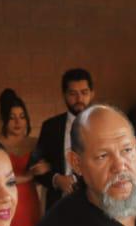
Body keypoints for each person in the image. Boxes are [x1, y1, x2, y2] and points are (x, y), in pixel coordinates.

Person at [33, 68, 94, 210]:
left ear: (92, 93)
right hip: (60, 204)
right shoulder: (50, 127)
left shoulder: (103, 125)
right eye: (73, 94)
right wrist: (56, 179)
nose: (79, 99)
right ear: (64, 95)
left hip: (96, 202)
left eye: (84, 93)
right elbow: (35, 166)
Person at [0, 88, 45, 226]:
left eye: (22, 116)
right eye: (12, 117)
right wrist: (26, 177)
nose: (18, 122)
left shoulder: (35, 143)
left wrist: (42, 170)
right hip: (5, 198)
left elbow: (42, 176)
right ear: (4, 119)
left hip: (29, 199)